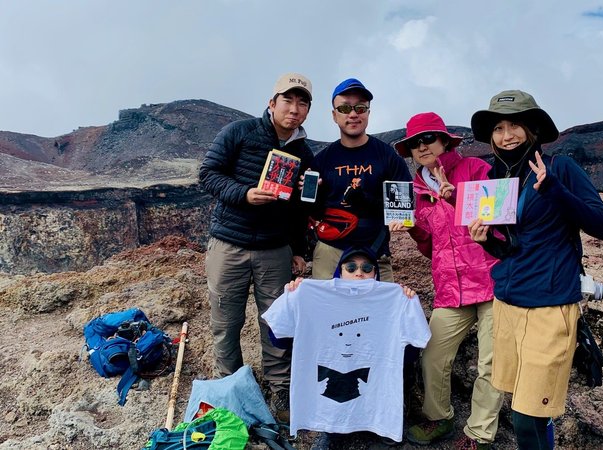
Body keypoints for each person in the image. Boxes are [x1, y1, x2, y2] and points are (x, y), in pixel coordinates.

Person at [467, 90, 603, 449]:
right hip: (508, 303)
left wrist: (553, 189)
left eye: (515, 124)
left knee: (528, 414)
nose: (507, 135)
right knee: (520, 402)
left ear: (532, 128)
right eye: (499, 127)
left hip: (549, 307)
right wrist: (486, 241)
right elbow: (513, 250)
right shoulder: (497, 181)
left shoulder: (562, 168)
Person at [198, 72, 315, 424]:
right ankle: (231, 388)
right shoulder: (239, 132)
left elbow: (300, 208)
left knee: (276, 323)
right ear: (272, 102)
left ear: (308, 110)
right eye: (288, 100)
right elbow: (208, 174)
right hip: (228, 244)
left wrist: (298, 250)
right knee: (225, 321)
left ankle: (280, 391)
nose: (294, 109)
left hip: (274, 249)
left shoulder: (304, 153)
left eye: (302, 103)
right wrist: (245, 194)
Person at [389, 112, 503, 450]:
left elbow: (499, 223)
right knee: (433, 356)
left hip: (492, 280)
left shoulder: (477, 171)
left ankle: (478, 434)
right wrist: (409, 227)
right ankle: (440, 417)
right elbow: (430, 245)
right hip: (452, 289)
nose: (422, 146)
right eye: (414, 143)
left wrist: (455, 198)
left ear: (444, 141)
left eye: (428, 139)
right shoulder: (415, 192)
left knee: (491, 361)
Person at [272, 247, 427, 449]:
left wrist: (406, 304)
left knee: (385, 376)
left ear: (375, 273)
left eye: (367, 267)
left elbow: (414, 349)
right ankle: (329, 429)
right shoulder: (312, 295)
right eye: (351, 267)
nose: (359, 273)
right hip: (331, 383)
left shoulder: (394, 300)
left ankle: (383, 421)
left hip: (371, 381)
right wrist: (294, 299)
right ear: (340, 272)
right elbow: (278, 339)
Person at [310, 78, 412, 281]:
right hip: (331, 250)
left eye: (360, 108)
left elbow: (403, 210)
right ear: (334, 115)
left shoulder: (388, 156)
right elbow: (310, 211)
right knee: (327, 311)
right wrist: (308, 193)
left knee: (380, 312)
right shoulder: (321, 160)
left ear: (368, 113)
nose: (353, 114)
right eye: (345, 108)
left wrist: (401, 219)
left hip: (374, 250)